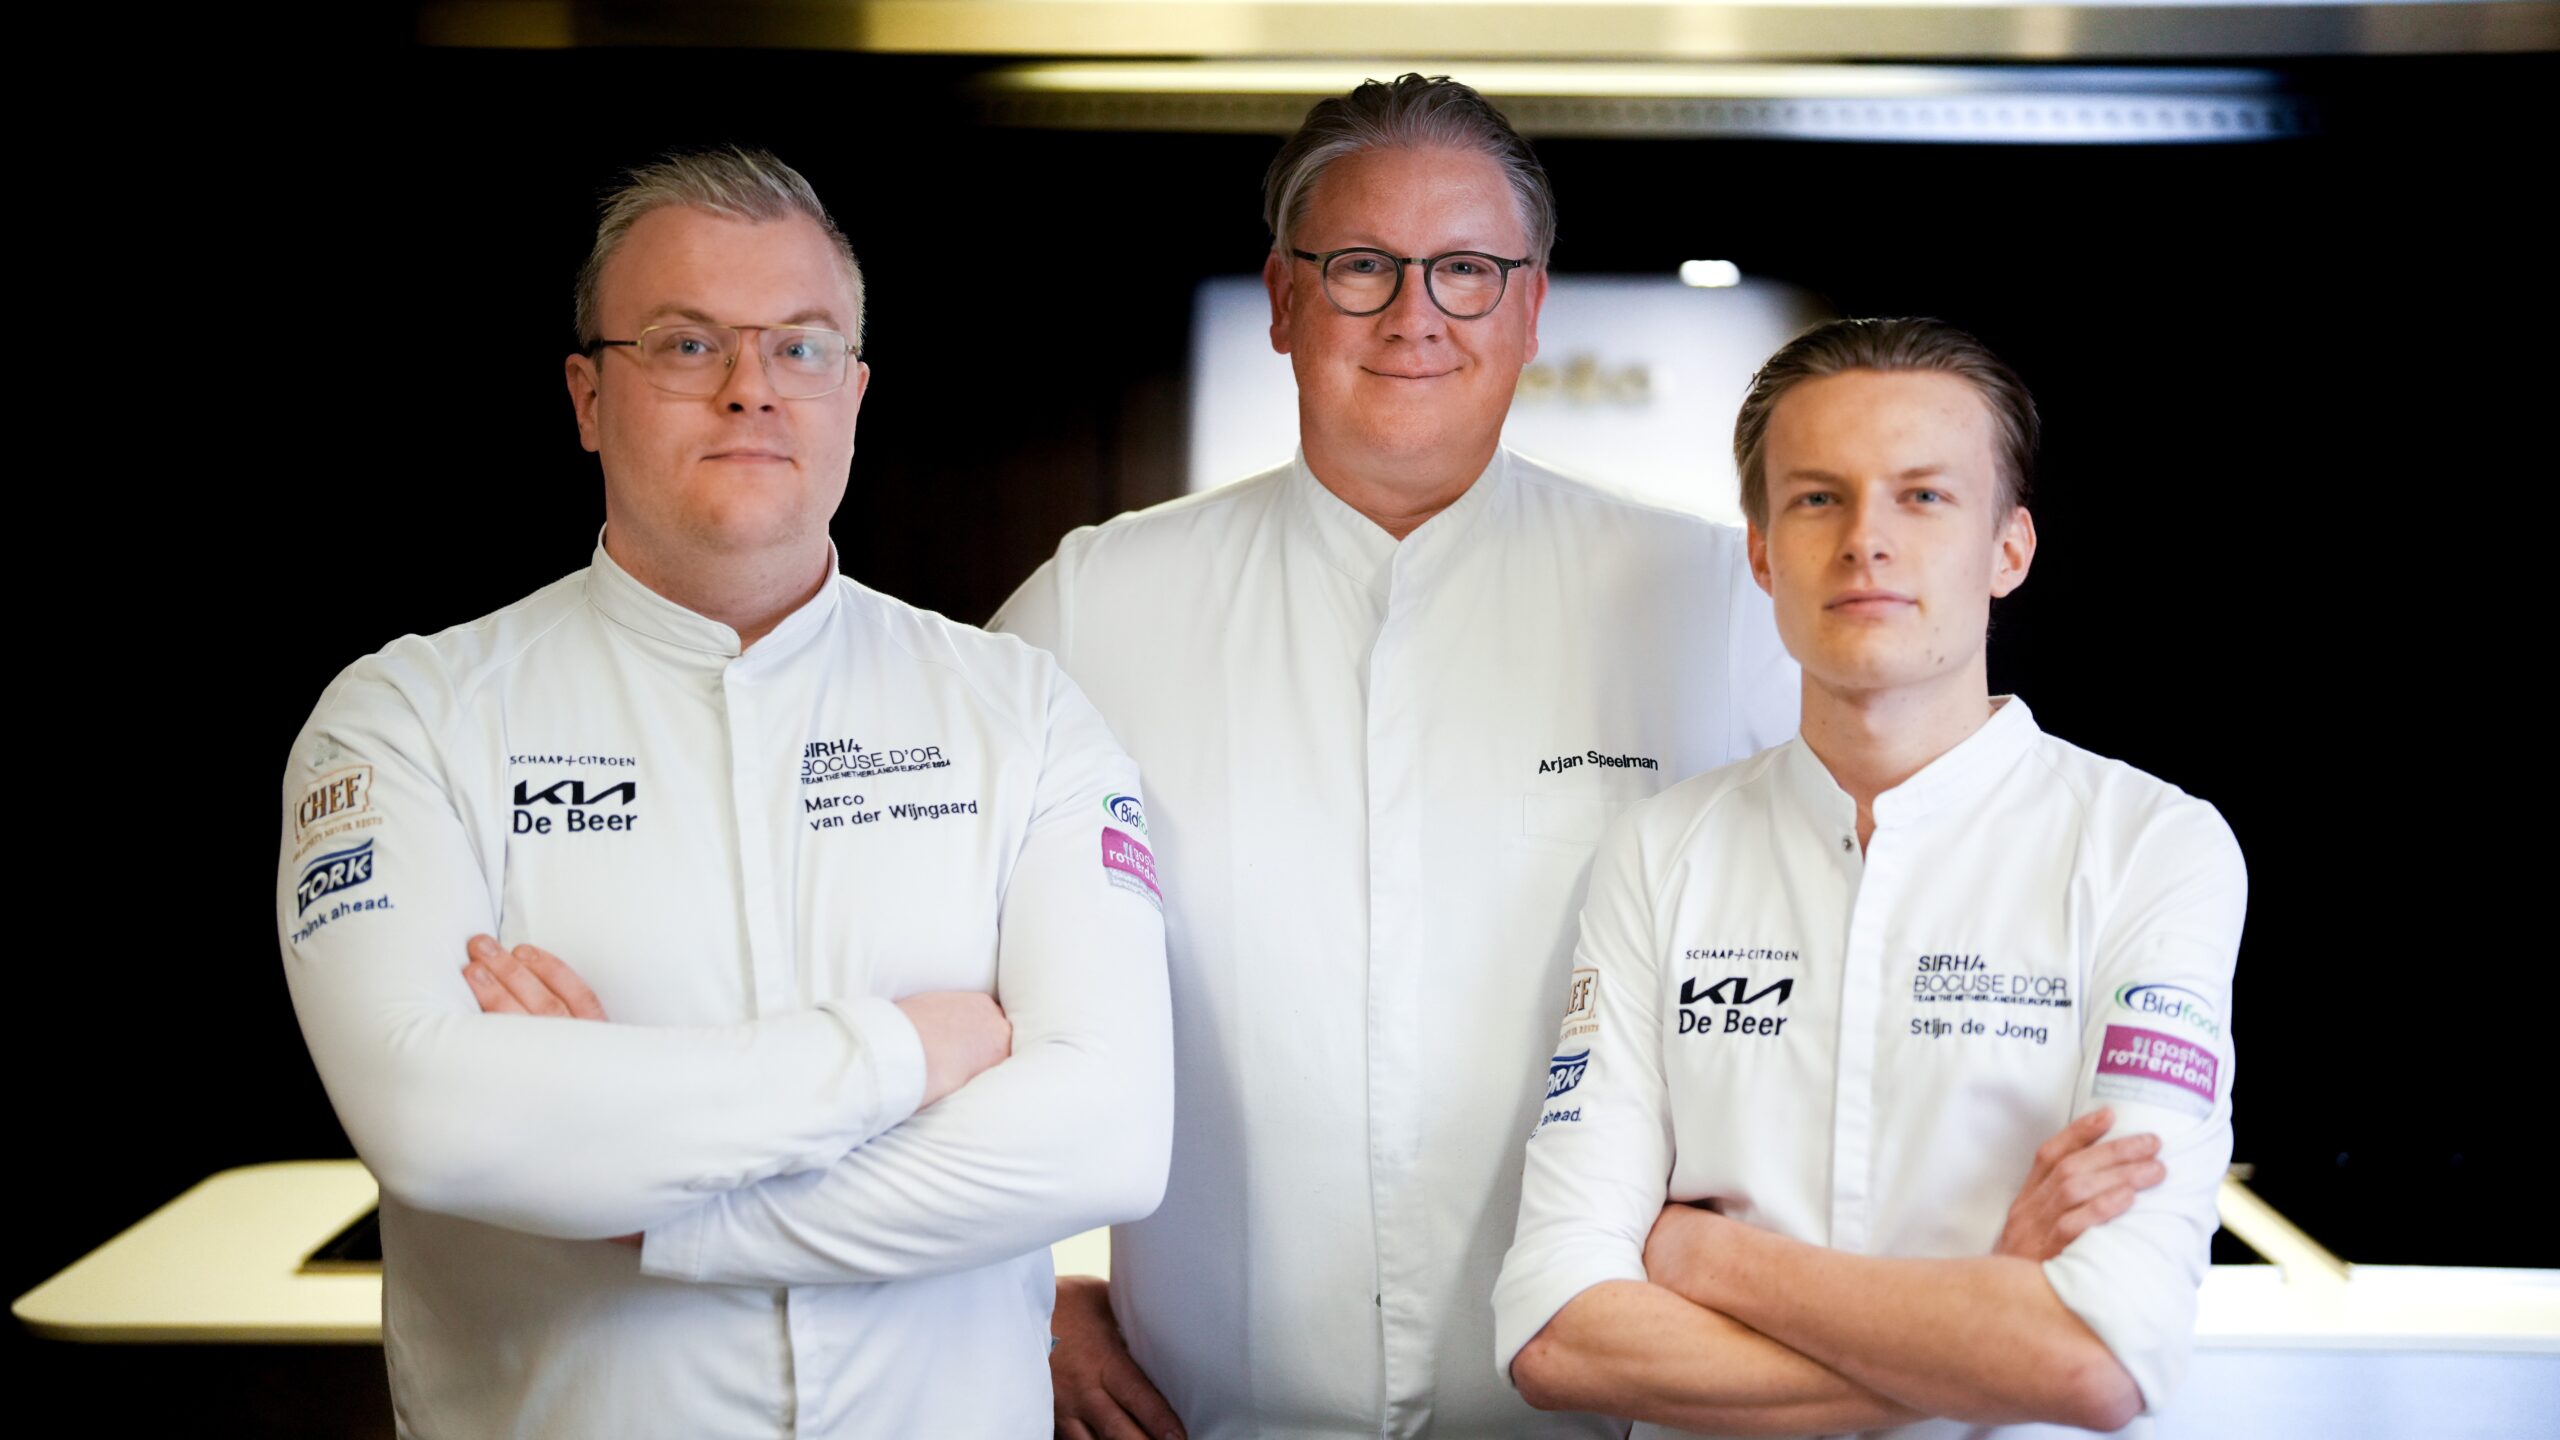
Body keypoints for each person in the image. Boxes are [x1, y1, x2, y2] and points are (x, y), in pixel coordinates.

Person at [276, 146, 1173, 1438]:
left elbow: (1105, 1141)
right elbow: (437, 1127)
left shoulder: (1023, 712)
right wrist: (910, 1052)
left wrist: (634, 1187)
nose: (753, 389)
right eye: (687, 345)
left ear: (855, 392)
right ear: (587, 394)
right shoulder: (406, 719)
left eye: (802, 347)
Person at [997, 75, 1799, 1439]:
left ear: (1534, 308)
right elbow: (942, 977)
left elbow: (1837, 984)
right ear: (1282, 299)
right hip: (1202, 1410)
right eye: (1362, 265)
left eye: (1468, 270)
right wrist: (1030, 1290)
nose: (1415, 313)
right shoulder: (1094, 605)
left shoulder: (1715, 606)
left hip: (1596, 1414)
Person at [1496, 317, 2244, 1438]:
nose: (1865, 541)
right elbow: (1556, 1331)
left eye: (1924, 497)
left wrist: (1708, 1256)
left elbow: (2094, 1358)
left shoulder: (2150, 845)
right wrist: (1986, 1313)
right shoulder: (1661, 851)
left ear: (2010, 549)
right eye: (1816, 498)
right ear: (1759, 550)